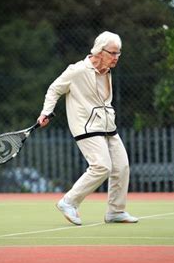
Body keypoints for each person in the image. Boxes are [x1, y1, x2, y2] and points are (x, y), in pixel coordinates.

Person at [37, 31, 138, 225]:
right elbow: (54, 89)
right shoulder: (77, 70)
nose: (116, 58)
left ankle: (115, 212)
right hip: (85, 126)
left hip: (108, 125)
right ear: (100, 51)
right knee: (102, 166)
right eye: (113, 53)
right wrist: (46, 112)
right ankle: (68, 202)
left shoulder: (107, 71)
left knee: (122, 167)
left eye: (119, 53)